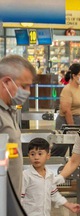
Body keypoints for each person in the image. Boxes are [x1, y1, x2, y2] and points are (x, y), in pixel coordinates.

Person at [21, 138, 80, 216]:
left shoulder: (49, 175)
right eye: (32, 154)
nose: (36, 157)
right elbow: (19, 198)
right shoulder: (25, 176)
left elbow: (54, 194)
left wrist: (68, 205)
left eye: (40, 153)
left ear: (48, 156)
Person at [0, 55, 36, 197]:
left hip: (9, 201)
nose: (28, 92)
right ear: (7, 82)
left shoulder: (9, 111)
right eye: (24, 86)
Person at [52, 63, 80, 156]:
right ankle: (53, 165)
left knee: (76, 149)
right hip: (67, 121)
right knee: (60, 148)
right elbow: (66, 110)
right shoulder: (67, 89)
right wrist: (71, 127)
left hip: (79, 120)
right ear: (74, 76)